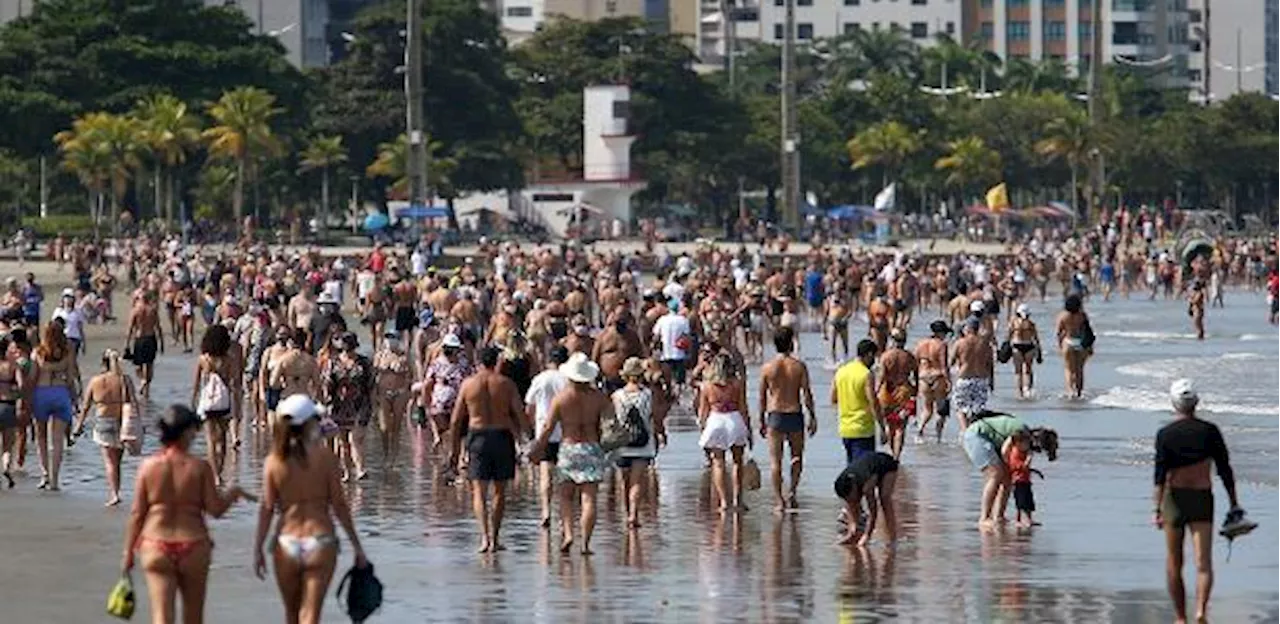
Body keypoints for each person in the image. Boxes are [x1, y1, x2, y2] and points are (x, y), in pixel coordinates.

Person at [122, 405, 254, 624]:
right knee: (193, 618)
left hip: (156, 545)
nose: (196, 433)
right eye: (193, 429)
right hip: (193, 544)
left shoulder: (148, 467)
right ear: (185, 432)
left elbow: (137, 513)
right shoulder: (199, 467)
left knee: (162, 618)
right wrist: (234, 492)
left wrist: (127, 553)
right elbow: (216, 510)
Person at [253, 395, 369, 624]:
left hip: (286, 541)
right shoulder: (326, 458)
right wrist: (357, 547)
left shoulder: (274, 462)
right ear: (309, 424)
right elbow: (339, 505)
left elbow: (267, 508)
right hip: (320, 540)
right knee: (311, 616)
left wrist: (257, 549)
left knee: (291, 615)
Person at [1154, 379, 1256, 624]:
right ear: (1196, 403)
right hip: (1201, 499)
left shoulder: (1165, 434)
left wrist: (1157, 508)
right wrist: (1234, 503)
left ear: (1174, 403)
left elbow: (1159, 476)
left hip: (1174, 500)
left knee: (1174, 563)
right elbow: (1224, 470)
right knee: (1203, 563)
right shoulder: (1210, 431)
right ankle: (1200, 611)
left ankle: (1180, 617)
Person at [531, 352, 612, 554]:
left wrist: (537, 449)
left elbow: (548, 428)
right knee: (589, 499)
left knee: (566, 497)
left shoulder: (561, 399)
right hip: (592, 448)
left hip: (568, 448)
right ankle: (585, 543)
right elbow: (612, 425)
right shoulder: (600, 399)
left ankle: (568, 533)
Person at [449, 345, 524, 554]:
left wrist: (454, 451)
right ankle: (496, 537)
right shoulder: (506, 384)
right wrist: (529, 440)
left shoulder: (468, 384)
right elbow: (519, 414)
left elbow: (456, 420)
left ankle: (484, 538)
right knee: (500, 491)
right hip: (501, 436)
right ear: (496, 362)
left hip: (477, 436)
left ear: (478, 362)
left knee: (479, 491)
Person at [961, 410, 1058, 529]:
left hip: (989, 439)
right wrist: (1012, 466)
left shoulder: (1025, 437)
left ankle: (999, 516)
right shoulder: (1020, 431)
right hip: (976, 436)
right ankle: (984, 518)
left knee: (1007, 480)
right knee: (995, 475)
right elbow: (1004, 450)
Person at [758, 327, 816, 513]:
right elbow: (807, 394)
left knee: (775, 461)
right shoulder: (799, 366)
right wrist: (812, 416)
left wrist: (760, 419)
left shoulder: (767, 368)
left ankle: (779, 501)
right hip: (794, 413)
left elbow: (762, 397)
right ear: (791, 342)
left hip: (775, 414)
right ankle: (792, 492)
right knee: (797, 457)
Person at [75, 349, 138, 506]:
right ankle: (117, 491)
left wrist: (78, 426)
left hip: (103, 421)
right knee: (118, 461)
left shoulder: (96, 381)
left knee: (109, 461)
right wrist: (139, 424)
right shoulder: (125, 380)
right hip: (122, 421)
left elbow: (86, 406)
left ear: (103, 363)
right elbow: (134, 403)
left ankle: (114, 494)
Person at [612, 357, 665, 528]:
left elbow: (611, 421)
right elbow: (655, 417)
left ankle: (627, 512)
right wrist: (661, 433)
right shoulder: (648, 394)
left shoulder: (616, 396)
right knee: (637, 481)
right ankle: (634, 515)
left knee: (624, 481)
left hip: (622, 444)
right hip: (643, 443)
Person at [697, 352, 752, 513]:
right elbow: (743, 407)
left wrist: (703, 427)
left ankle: (723, 502)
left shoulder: (707, 386)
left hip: (716, 420)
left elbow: (703, 411)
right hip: (734, 419)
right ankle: (738, 500)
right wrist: (748, 427)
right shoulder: (737, 384)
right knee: (737, 461)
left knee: (718, 462)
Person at [523, 345, 570, 528]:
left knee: (545, 473)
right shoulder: (568, 379)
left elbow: (529, 406)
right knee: (564, 475)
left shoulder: (540, 379)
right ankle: (562, 514)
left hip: (543, 430)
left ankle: (545, 511)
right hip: (565, 431)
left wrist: (531, 428)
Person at [32, 322, 80, 491]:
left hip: (42, 392)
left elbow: (33, 377)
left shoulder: (38, 352)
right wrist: (75, 400)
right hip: (60, 393)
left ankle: (44, 473)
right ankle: (54, 480)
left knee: (41, 437)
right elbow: (70, 378)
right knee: (58, 440)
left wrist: (25, 399)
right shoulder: (67, 352)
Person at [191, 325, 240, 486]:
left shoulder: (203, 359)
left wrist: (193, 401)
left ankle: (215, 476)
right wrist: (237, 405)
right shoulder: (229, 359)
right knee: (223, 439)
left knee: (210, 440)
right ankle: (220, 470)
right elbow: (235, 383)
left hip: (208, 402)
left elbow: (197, 384)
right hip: (224, 402)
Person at [322, 332, 375, 482]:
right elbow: (327, 383)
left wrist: (373, 404)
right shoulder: (333, 362)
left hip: (360, 405)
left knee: (355, 439)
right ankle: (346, 472)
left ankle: (360, 469)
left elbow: (371, 384)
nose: (343, 345)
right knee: (342, 442)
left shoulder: (364, 362)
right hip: (339, 406)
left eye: (346, 342)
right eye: (342, 342)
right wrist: (326, 400)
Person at [832, 339, 882, 465]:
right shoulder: (866, 374)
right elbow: (873, 402)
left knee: (852, 468)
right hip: (863, 429)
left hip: (845, 428)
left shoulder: (841, 371)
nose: (874, 361)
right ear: (869, 354)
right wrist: (882, 426)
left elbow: (833, 399)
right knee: (864, 471)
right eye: (874, 357)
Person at [835, 451, 899, 548]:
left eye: (852, 496)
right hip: (867, 466)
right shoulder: (842, 482)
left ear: (854, 488)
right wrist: (852, 531)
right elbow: (850, 506)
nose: (852, 500)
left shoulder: (867, 486)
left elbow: (873, 512)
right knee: (852, 504)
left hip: (886, 465)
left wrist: (867, 536)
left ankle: (893, 539)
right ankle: (855, 534)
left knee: (884, 498)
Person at [372, 328, 412, 470]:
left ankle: (393, 458)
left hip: (399, 393)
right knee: (383, 427)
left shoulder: (403, 356)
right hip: (383, 393)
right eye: (387, 337)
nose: (390, 340)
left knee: (396, 427)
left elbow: (409, 376)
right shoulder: (379, 355)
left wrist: (408, 395)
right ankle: (385, 454)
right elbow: (374, 376)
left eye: (392, 337)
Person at [876, 328, 916, 460]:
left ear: (892, 340)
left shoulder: (886, 356)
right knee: (901, 427)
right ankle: (897, 457)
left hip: (887, 391)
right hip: (904, 391)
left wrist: (875, 392)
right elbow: (915, 375)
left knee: (889, 424)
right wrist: (915, 390)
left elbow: (881, 377)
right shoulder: (909, 356)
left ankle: (892, 453)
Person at [950, 319, 992, 431]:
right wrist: (992, 381)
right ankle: (974, 431)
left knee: (960, 409)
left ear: (967, 329)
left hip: (964, 378)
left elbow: (951, 362)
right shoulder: (985, 344)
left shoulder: (959, 343)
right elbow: (990, 364)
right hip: (981, 379)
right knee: (978, 410)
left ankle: (965, 432)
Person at [914, 320, 952, 442]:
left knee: (927, 409)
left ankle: (920, 431)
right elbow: (943, 365)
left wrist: (915, 379)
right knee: (941, 409)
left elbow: (915, 362)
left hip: (923, 378)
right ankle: (938, 437)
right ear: (940, 333)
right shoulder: (941, 345)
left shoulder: (921, 343)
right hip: (938, 377)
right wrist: (949, 381)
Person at [126, 290, 166, 397]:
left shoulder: (135, 310)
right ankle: (146, 386)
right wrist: (162, 342)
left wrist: (127, 343)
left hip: (139, 339)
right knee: (149, 364)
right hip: (151, 338)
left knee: (138, 365)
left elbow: (130, 328)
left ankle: (143, 382)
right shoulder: (152, 310)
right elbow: (158, 328)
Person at [1054, 293, 1093, 399]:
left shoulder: (1063, 316)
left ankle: (1070, 391)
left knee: (1068, 369)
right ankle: (1079, 392)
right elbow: (1088, 330)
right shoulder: (1082, 315)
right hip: (1080, 342)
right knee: (1080, 369)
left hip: (1068, 342)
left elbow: (1058, 332)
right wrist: (1090, 347)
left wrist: (1059, 346)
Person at [0, 333, 25, 488]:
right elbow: (21, 386)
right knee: (8, 446)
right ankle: (6, 468)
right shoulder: (13, 365)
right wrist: (16, 394)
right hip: (8, 405)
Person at [1007, 304, 1042, 399]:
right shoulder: (1031, 324)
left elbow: (1008, 337)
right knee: (1029, 370)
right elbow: (1036, 339)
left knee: (1018, 372)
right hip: (1029, 346)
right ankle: (1029, 390)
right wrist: (1039, 351)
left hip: (1017, 346)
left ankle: (1020, 393)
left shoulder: (1013, 323)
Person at [1004, 433, 1038, 528]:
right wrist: (1028, 459)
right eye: (1026, 443)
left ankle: (1027, 519)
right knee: (1022, 502)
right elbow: (1018, 466)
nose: (1028, 446)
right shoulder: (1015, 453)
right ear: (1018, 443)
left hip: (1026, 480)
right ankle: (1023, 520)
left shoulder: (1022, 452)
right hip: (1019, 481)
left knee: (1029, 501)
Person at [51, 288, 86, 356]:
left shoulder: (78, 311)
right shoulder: (58, 311)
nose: (68, 299)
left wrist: (83, 343)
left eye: (70, 297)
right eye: (66, 297)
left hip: (74, 338)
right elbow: (53, 326)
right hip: (62, 338)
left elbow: (80, 328)